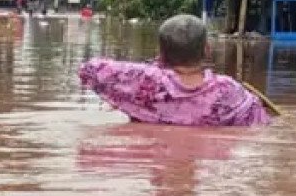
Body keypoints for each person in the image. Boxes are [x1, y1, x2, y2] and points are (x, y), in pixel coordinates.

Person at [78, 14, 272, 127]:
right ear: (207, 50)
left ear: (161, 53)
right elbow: (260, 123)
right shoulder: (228, 90)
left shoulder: (147, 80)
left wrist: (152, 66)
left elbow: (89, 69)